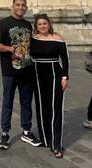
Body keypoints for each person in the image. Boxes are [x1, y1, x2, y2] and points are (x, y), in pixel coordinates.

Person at [0, 0, 41, 150]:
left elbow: (33, 44)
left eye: (23, 5)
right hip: (9, 70)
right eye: (18, 5)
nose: (21, 7)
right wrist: (8, 48)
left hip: (27, 70)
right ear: (12, 6)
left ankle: (26, 131)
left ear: (26, 7)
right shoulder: (3, 23)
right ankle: (5, 133)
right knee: (8, 102)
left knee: (26, 102)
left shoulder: (27, 25)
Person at [30, 14, 69, 159]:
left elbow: (65, 59)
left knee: (55, 108)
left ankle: (56, 143)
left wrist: (65, 77)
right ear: (36, 26)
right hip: (37, 76)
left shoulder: (58, 39)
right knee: (42, 108)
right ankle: (46, 139)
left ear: (49, 24)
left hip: (55, 76)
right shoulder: (33, 39)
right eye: (39, 24)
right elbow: (23, 53)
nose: (42, 26)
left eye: (44, 23)